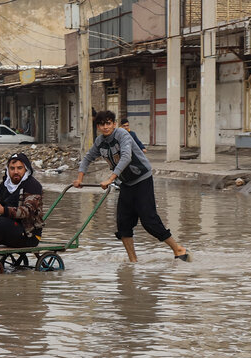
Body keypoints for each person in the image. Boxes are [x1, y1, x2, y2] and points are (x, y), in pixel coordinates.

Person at [72, 110, 188, 263]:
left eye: (108, 123)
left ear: (114, 124)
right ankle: (133, 260)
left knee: (149, 220)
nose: (105, 127)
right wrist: (79, 179)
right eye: (102, 124)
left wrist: (110, 178)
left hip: (142, 179)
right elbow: (87, 158)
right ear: (98, 127)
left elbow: (126, 156)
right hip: (126, 183)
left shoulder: (122, 135)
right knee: (123, 223)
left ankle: (178, 249)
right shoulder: (100, 141)